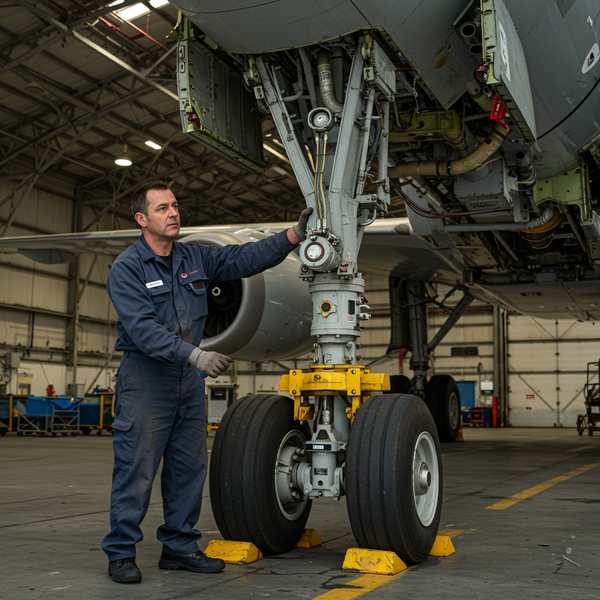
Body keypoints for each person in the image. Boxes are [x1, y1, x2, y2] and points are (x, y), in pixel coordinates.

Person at [102, 180, 312, 583]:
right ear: (142, 219)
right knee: (137, 470)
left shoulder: (195, 256)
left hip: (185, 381)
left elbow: (246, 259)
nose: (174, 213)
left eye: (176, 205)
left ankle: (179, 547)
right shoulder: (127, 268)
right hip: (145, 379)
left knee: (187, 469)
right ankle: (121, 553)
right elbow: (144, 330)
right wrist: (196, 354)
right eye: (163, 208)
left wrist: (293, 235)